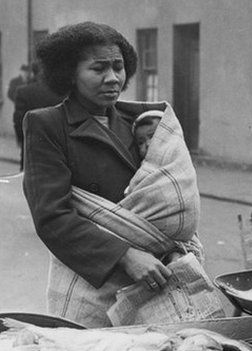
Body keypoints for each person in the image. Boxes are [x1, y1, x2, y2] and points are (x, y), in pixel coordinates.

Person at [22, 22, 222, 328]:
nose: (113, 77)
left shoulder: (140, 123)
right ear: (69, 74)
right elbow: (52, 217)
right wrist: (124, 256)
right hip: (93, 281)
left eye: (118, 66)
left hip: (156, 276)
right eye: (99, 68)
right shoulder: (48, 125)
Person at [13, 61, 64, 171]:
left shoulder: (24, 92)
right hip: (59, 146)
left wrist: (22, 140)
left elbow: (18, 120)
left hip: (31, 145)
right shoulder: (62, 92)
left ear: (34, 72)